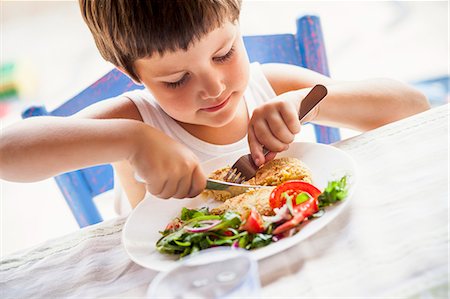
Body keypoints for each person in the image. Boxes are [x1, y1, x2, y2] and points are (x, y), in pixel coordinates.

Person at [0, 0, 429, 210]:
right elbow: (7, 153)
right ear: (134, 75)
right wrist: (129, 141)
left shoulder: (272, 85)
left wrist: (309, 103)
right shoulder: (136, 119)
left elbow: (413, 105)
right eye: (176, 79)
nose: (214, 86)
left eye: (224, 53)